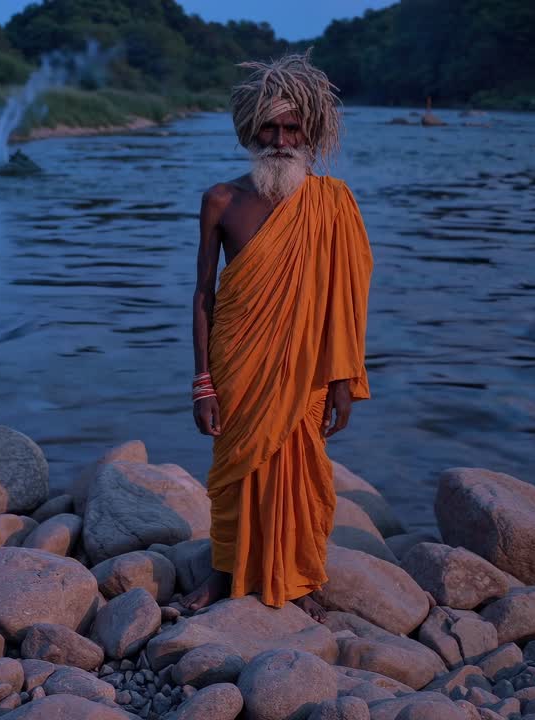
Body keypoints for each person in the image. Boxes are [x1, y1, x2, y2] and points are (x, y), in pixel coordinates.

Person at [184, 53, 373, 620]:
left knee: (302, 466)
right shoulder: (221, 200)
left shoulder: (332, 202)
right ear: (250, 130)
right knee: (235, 465)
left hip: (308, 365)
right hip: (237, 358)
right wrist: (202, 382)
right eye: (270, 127)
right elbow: (203, 294)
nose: (282, 141)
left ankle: (300, 576)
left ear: (309, 134)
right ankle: (225, 569)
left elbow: (346, 299)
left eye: (293, 129)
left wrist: (344, 378)